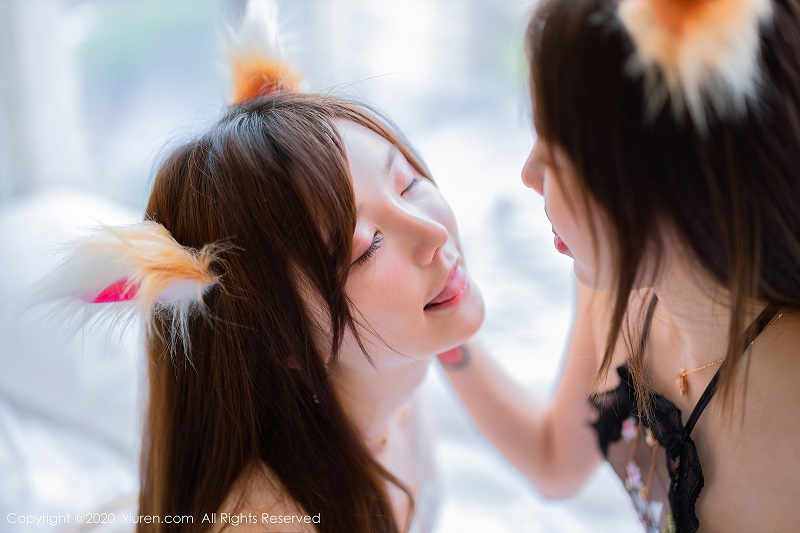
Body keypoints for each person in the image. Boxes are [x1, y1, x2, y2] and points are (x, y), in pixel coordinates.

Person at [35, 4, 484, 532]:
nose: (434, 234)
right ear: (286, 340)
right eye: (366, 248)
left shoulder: (395, 372)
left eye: (408, 183)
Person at [438, 0, 800, 531]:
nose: (528, 174)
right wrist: (445, 327)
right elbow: (556, 461)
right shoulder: (618, 283)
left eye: (554, 156)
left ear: (660, 186)